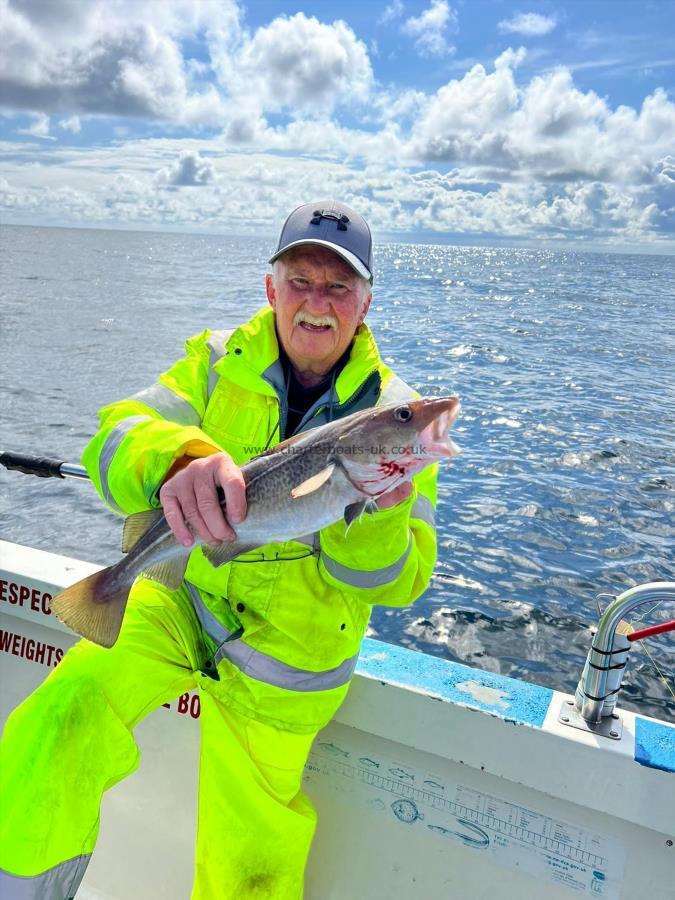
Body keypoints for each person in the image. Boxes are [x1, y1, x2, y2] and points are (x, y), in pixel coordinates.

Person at [0, 201, 439, 898]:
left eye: (337, 287)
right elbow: (116, 434)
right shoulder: (213, 362)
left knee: (250, 864)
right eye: (300, 280)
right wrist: (175, 459)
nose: (315, 303)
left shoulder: (398, 416)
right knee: (58, 718)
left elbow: (393, 581)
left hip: (291, 653)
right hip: (182, 598)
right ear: (271, 288)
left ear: (365, 302)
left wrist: (382, 513)